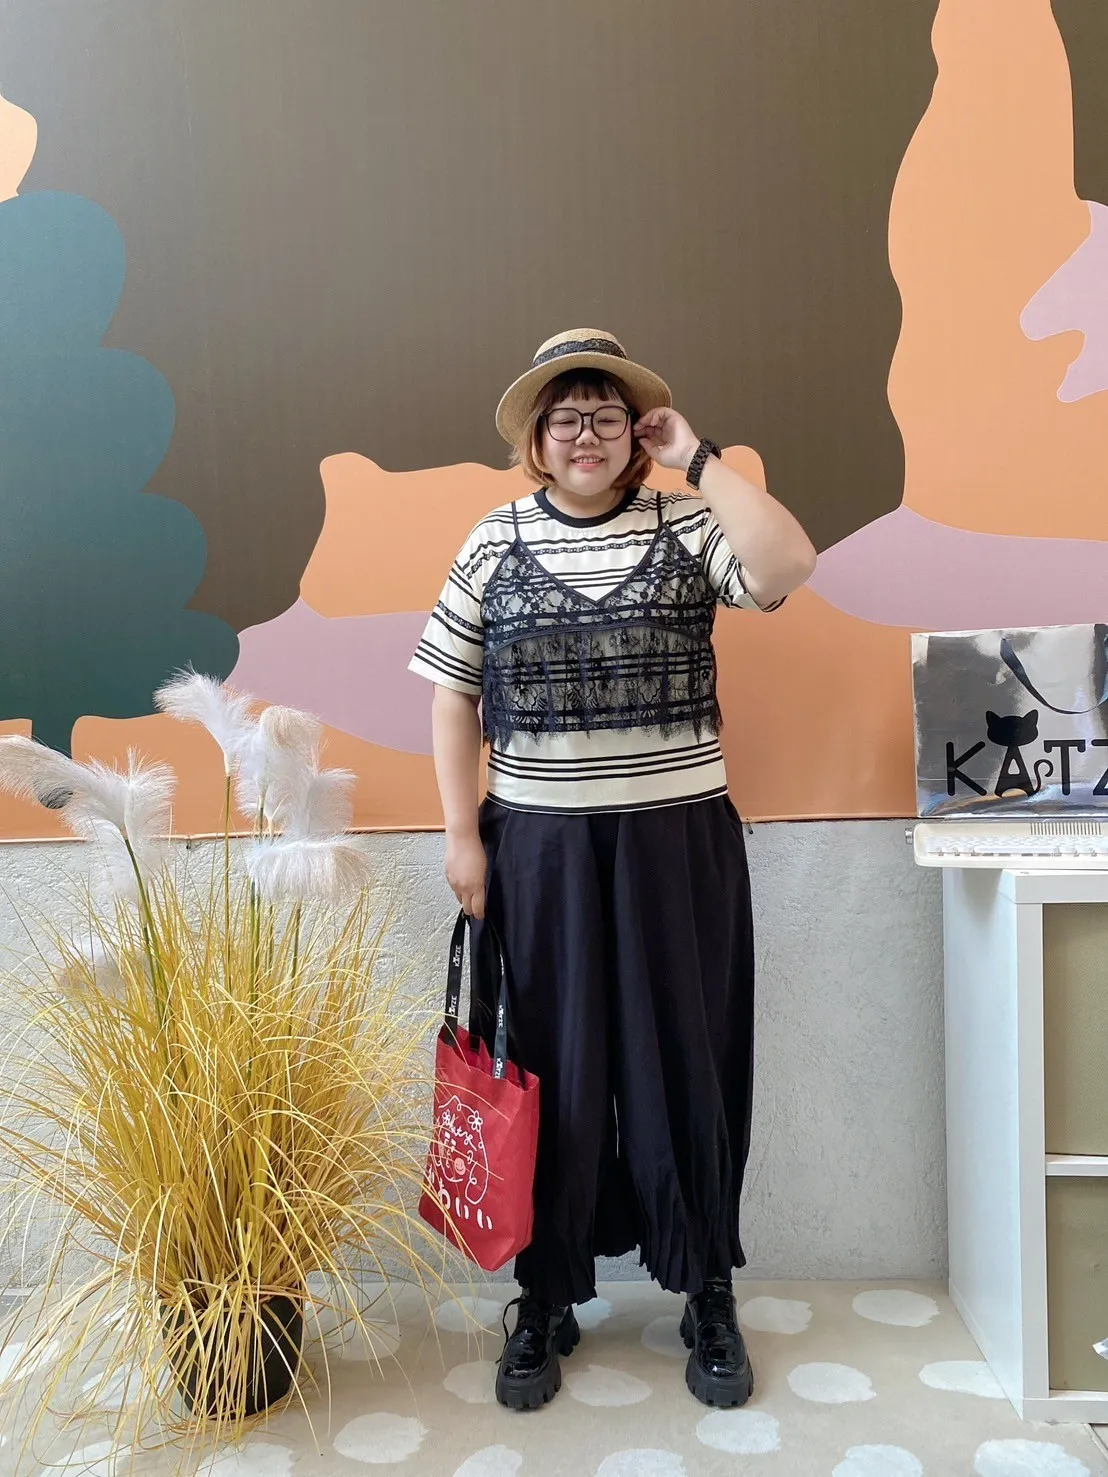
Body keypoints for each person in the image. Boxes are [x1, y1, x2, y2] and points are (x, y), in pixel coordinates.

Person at [409, 329, 817, 1411]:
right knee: (551, 1063)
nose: (583, 436)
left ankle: (707, 1286)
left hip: (676, 844)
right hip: (537, 849)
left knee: (689, 1057)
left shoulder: (687, 521)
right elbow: (452, 690)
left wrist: (701, 457)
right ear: (536, 440)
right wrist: (460, 836)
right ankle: (544, 1293)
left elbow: (787, 565)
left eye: (604, 416)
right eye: (564, 418)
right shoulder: (492, 539)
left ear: (635, 431)